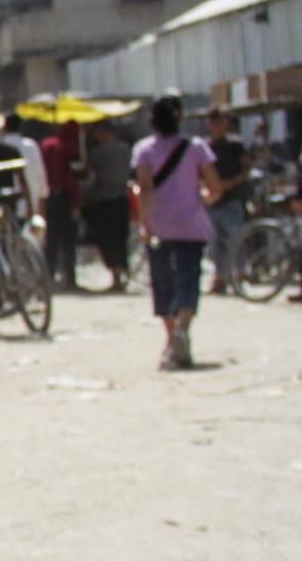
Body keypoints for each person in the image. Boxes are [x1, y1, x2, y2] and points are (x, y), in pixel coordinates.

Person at [135, 96, 224, 370]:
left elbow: (145, 189)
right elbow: (215, 187)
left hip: (159, 224)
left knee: (163, 283)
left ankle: (173, 338)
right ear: (180, 118)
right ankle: (183, 329)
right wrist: (201, 200)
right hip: (190, 225)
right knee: (188, 278)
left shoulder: (144, 149)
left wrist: (144, 222)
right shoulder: (196, 147)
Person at [82, 125, 134, 292]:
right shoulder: (125, 149)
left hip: (105, 201)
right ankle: (123, 270)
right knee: (121, 237)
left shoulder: (98, 154)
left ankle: (117, 274)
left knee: (108, 240)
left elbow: (90, 175)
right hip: (122, 199)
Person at [205, 110, 251, 295]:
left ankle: (239, 276)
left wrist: (230, 183)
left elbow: (246, 169)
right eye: (214, 122)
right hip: (212, 201)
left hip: (232, 199)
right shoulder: (205, 146)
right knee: (214, 244)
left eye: (220, 121)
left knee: (236, 240)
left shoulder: (236, 145)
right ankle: (220, 278)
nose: (217, 125)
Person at [39, 123, 80, 291]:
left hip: (48, 197)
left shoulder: (46, 145)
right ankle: (70, 279)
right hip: (64, 199)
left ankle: (49, 276)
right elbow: (72, 179)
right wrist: (76, 203)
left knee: (51, 239)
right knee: (68, 240)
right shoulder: (70, 149)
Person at [2, 113, 50, 221]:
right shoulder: (31, 145)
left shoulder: (1, 145)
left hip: (7, 206)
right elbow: (41, 174)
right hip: (31, 204)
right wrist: (42, 200)